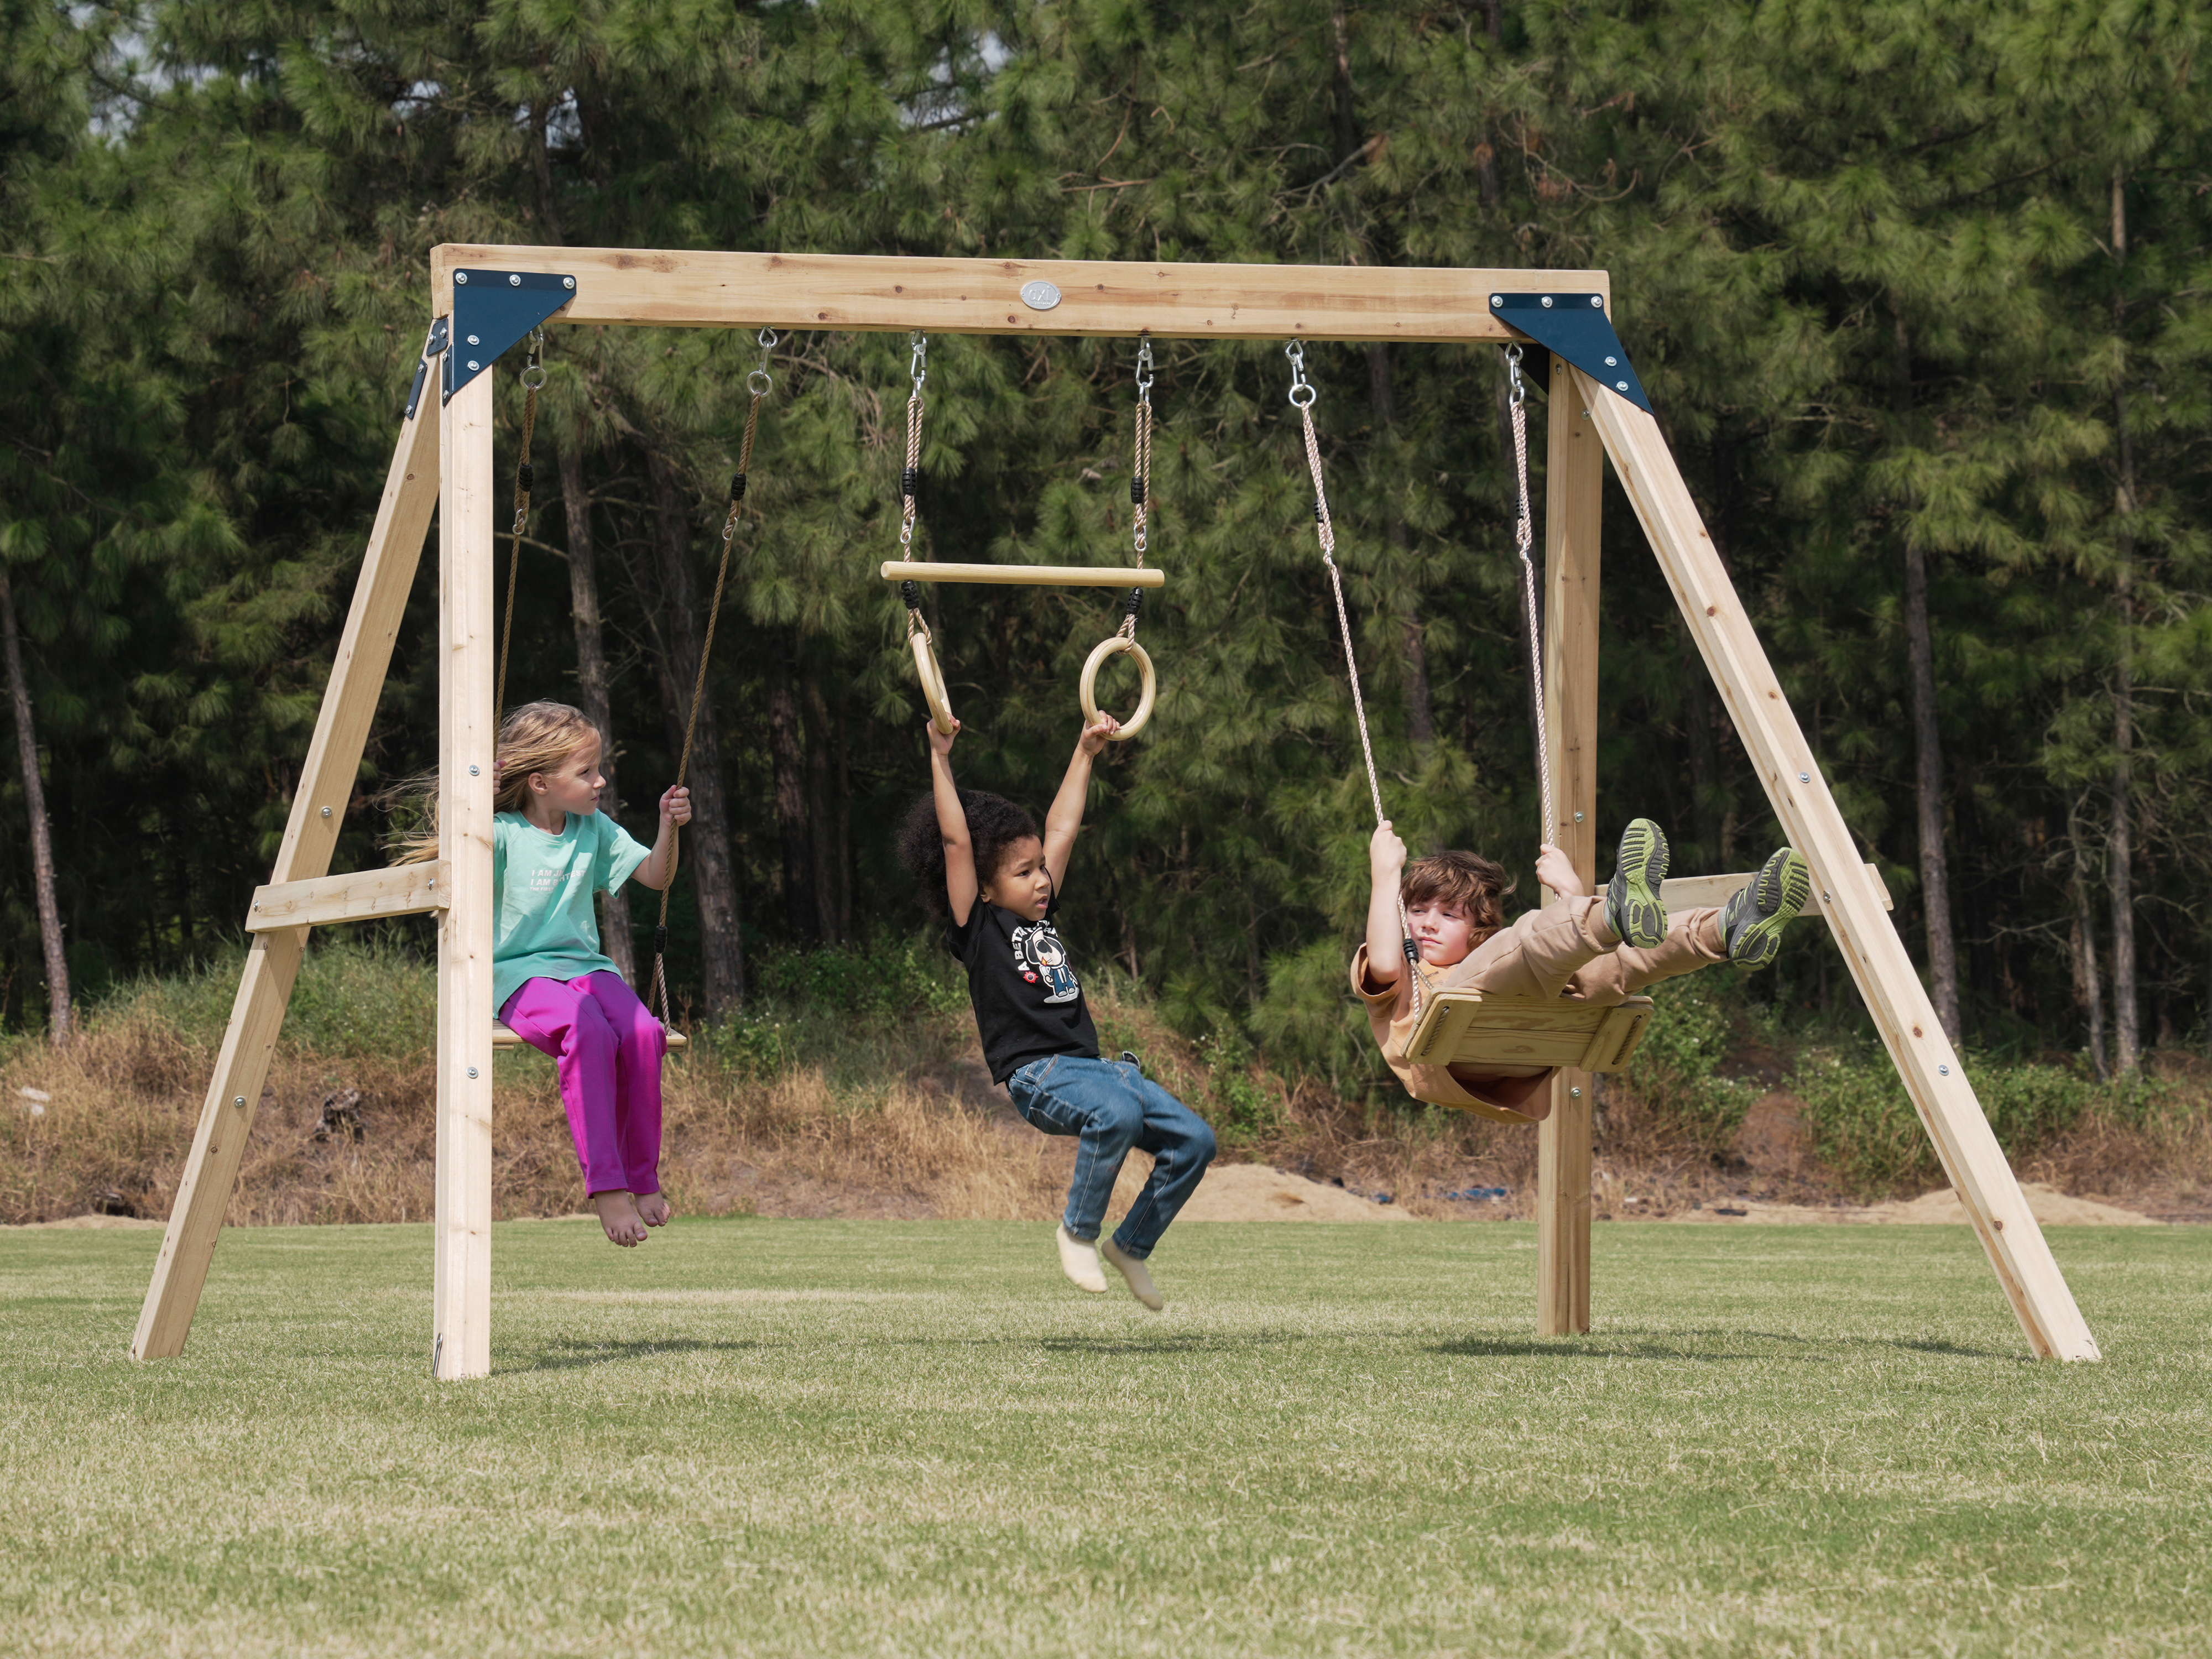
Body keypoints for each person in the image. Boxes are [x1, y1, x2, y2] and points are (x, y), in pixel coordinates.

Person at [899, 712, 1215, 1311]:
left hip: (1099, 1071)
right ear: (985, 888)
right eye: (1024, 873)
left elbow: (1062, 828)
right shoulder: (978, 926)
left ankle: (1133, 1245)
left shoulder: (1040, 915)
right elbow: (956, 842)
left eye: (1040, 867)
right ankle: (1077, 1231)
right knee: (1117, 1115)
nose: (1042, 880)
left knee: (1195, 1141)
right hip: (1037, 1074)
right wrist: (940, 759)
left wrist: (1085, 750)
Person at [425, 700, 692, 1247]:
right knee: (587, 1032)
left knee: (645, 1033)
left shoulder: (593, 829)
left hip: (586, 970)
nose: (600, 781)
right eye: (586, 772)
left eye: (598, 769)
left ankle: (642, 1175)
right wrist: (473, 788)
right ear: (541, 782)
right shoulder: (496, 833)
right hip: (519, 978)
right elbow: (451, 841)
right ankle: (608, 1187)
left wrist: (668, 826)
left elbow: (656, 875)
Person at [1354, 818, 1809, 1118]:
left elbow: (1549, 954)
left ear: (1477, 928)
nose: (1428, 924)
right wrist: (1385, 876)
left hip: (1522, 1043)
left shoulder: (1498, 952)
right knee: (1528, 940)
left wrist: (1569, 889)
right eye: (1417, 911)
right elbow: (1385, 959)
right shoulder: (1402, 979)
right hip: (1452, 1057)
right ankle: (1611, 912)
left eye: (1449, 915)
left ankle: (1724, 932)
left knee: (1613, 967)